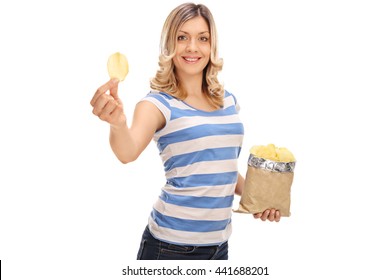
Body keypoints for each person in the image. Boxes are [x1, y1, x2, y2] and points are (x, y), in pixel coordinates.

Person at [90, 2, 280, 260]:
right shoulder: (157, 103)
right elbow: (127, 152)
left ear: (212, 46)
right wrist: (117, 123)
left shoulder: (228, 100)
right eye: (182, 38)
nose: (193, 47)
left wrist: (257, 198)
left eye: (203, 38)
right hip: (169, 247)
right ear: (169, 45)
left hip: (219, 246)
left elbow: (220, 166)